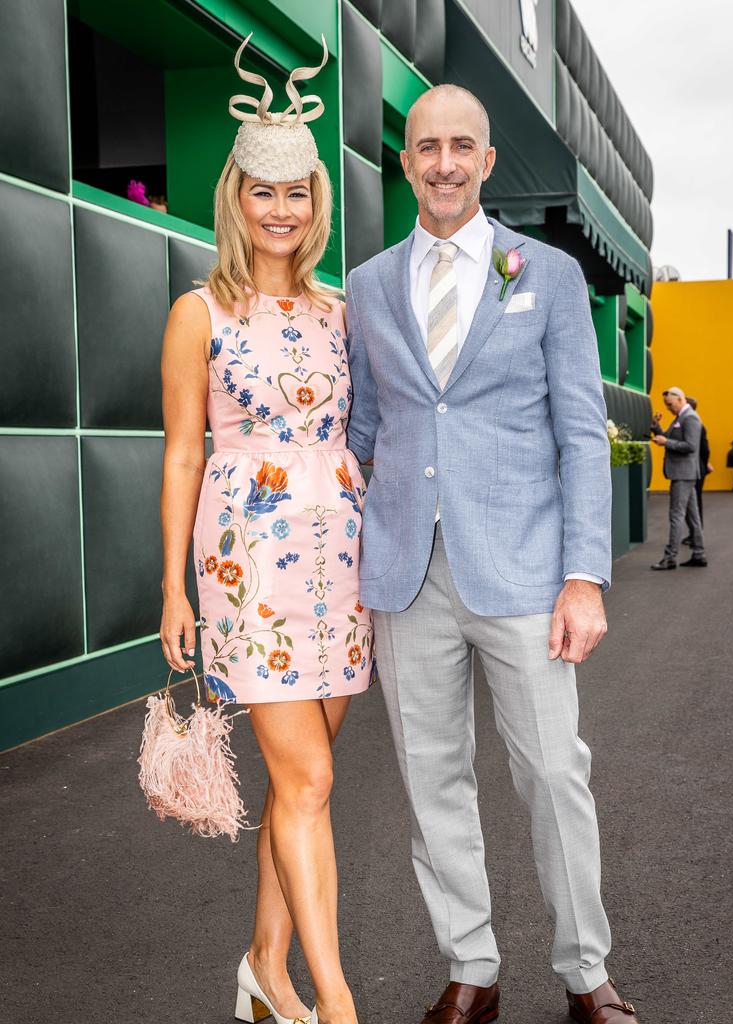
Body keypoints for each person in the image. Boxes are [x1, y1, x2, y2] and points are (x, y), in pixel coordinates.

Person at [346, 84, 639, 1024]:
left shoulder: (545, 275)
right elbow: (363, 430)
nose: (442, 162)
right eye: (426, 145)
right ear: (406, 160)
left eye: (461, 145)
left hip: (522, 572)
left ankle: (586, 972)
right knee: (433, 781)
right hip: (404, 573)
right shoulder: (367, 285)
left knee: (555, 773)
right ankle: (470, 967)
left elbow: (579, 437)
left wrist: (584, 577)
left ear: (485, 160)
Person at [159, 35, 371, 1024]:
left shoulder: (339, 310)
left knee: (302, 790)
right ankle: (335, 1002)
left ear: (315, 202)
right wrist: (172, 590)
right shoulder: (198, 311)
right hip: (246, 564)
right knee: (313, 774)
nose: (280, 211)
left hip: (339, 565)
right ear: (235, 198)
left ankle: (263, 968)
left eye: (297, 194)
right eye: (262, 192)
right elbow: (182, 454)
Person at [650, 386, 706, 569]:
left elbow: (690, 446)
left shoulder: (689, 418)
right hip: (684, 473)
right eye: (666, 405)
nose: (668, 408)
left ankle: (670, 558)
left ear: (680, 399)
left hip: (683, 474)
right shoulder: (682, 417)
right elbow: (667, 437)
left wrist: (667, 442)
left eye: (670, 404)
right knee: (692, 516)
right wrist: (656, 426)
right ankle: (699, 554)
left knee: (676, 515)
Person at [682, 396, 713, 544]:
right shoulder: (692, 422)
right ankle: (694, 534)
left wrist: (704, 464)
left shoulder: (694, 423)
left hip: (695, 468)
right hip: (698, 466)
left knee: (694, 503)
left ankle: (696, 535)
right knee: (692, 503)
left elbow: (705, 449)